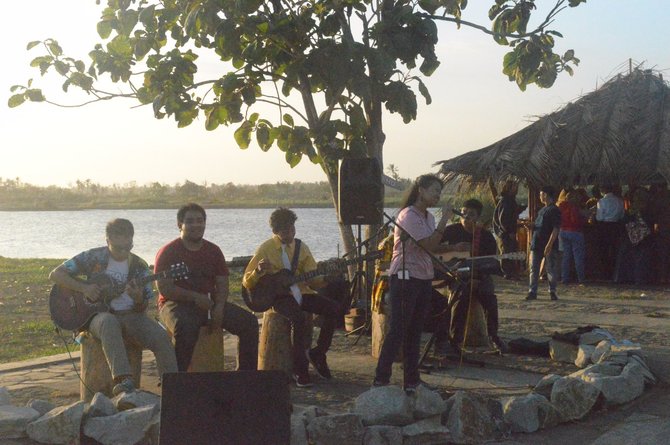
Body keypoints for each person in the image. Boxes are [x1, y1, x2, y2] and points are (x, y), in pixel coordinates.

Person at [49, 218, 177, 395]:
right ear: (107, 240)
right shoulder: (93, 257)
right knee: (109, 322)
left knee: (161, 337)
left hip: (131, 315)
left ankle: (172, 388)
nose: (124, 251)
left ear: (132, 241)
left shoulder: (139, 267)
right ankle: (124, 380)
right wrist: (84, 288)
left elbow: (143, 307)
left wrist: (138, 299)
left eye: (128, 246)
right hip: (97, 317)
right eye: (118, 247)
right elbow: (56, 274)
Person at [373, 174, 468, 391]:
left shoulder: (428, 218)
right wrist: (445, 219)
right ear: (421, 190)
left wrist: (454, 248)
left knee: (415, 330)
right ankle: (381, 378)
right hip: (405, 277)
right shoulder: (408, 216)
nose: (438, 195)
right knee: (398, 329)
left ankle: (411, 380)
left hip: (423, 277)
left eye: (440, 192)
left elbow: (433, 247)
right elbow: (427, 244)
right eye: (435, 190)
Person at [243, 207, 345, 387]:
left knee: (335, 309)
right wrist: (258, 272)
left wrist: (326, 278)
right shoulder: (265, 248)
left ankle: (319, 352)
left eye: (292, 228)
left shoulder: (301, 247)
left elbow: (313, 281)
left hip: (302, 292)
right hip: (278, 298)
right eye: (284, 230)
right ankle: (300, 370)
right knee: (298, 319)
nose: (290, 233)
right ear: (275, 231)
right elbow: (246, 282)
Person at [156, 203, 258, 372]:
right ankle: (176, 379)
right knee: (186, 326)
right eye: (190, 221)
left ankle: (246, 377)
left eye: (200, 220)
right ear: (179, 225)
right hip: (173, 304)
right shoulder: (168, 252)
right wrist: (195, 297)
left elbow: (223, 284)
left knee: (249, 323)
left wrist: (219, 307)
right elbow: (165, 289)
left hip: (210, 302)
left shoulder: (214, 251)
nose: (196, 225)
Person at [442, 198, 507, 353]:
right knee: (461, 295)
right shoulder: (451, 230)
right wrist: (453, 249)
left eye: (471, 214)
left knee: (489, 298)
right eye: (463, 212)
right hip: (456, 275)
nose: (466, 216)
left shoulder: (485, 236)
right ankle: (455, 341)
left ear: (477, 217)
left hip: (479, 275)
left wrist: (477, 276)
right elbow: (434, 249)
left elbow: (490, 263)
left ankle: (494, 336)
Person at [525, 186, 561, 301]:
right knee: (534, 268)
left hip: (547, 244)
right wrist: (531, 226)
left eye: (541, 194)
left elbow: (555, 229)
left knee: (550, 268)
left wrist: (549, 244)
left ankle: (552, 291)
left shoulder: (554, 210)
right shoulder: (542, 210)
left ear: (545, 195)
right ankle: (532, 291)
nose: (540, 196)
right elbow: (539, 225)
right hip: (537, 243)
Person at [492, 180, 526, 280]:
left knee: (510, 251)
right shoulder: (506, 201)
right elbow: (504, 219)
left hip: (504, 232)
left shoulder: (509, 200)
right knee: (507, 252)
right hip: (504, 233)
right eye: (515, 187)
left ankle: (510, 272)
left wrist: (521, 208)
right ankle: (507, 273)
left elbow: (511, 213)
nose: (517, 189)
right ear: (509, 188)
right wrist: (509, 231)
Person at [595, 185, 625, 280]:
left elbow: (599, 217)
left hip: (604, 227)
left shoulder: (601, 201)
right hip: (616, 226)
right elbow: (622, 215)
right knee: (614, 250)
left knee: (603, 250)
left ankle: (605, 273)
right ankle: (614, 272)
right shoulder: (619, 201)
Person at [558, 190, 587, 285]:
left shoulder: (561, 206)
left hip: (563, 231)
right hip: (575, 232)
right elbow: (577, 220)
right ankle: (581, 279)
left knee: (566, 256)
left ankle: (564, 278)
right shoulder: (575, 208)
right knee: (578, 256)